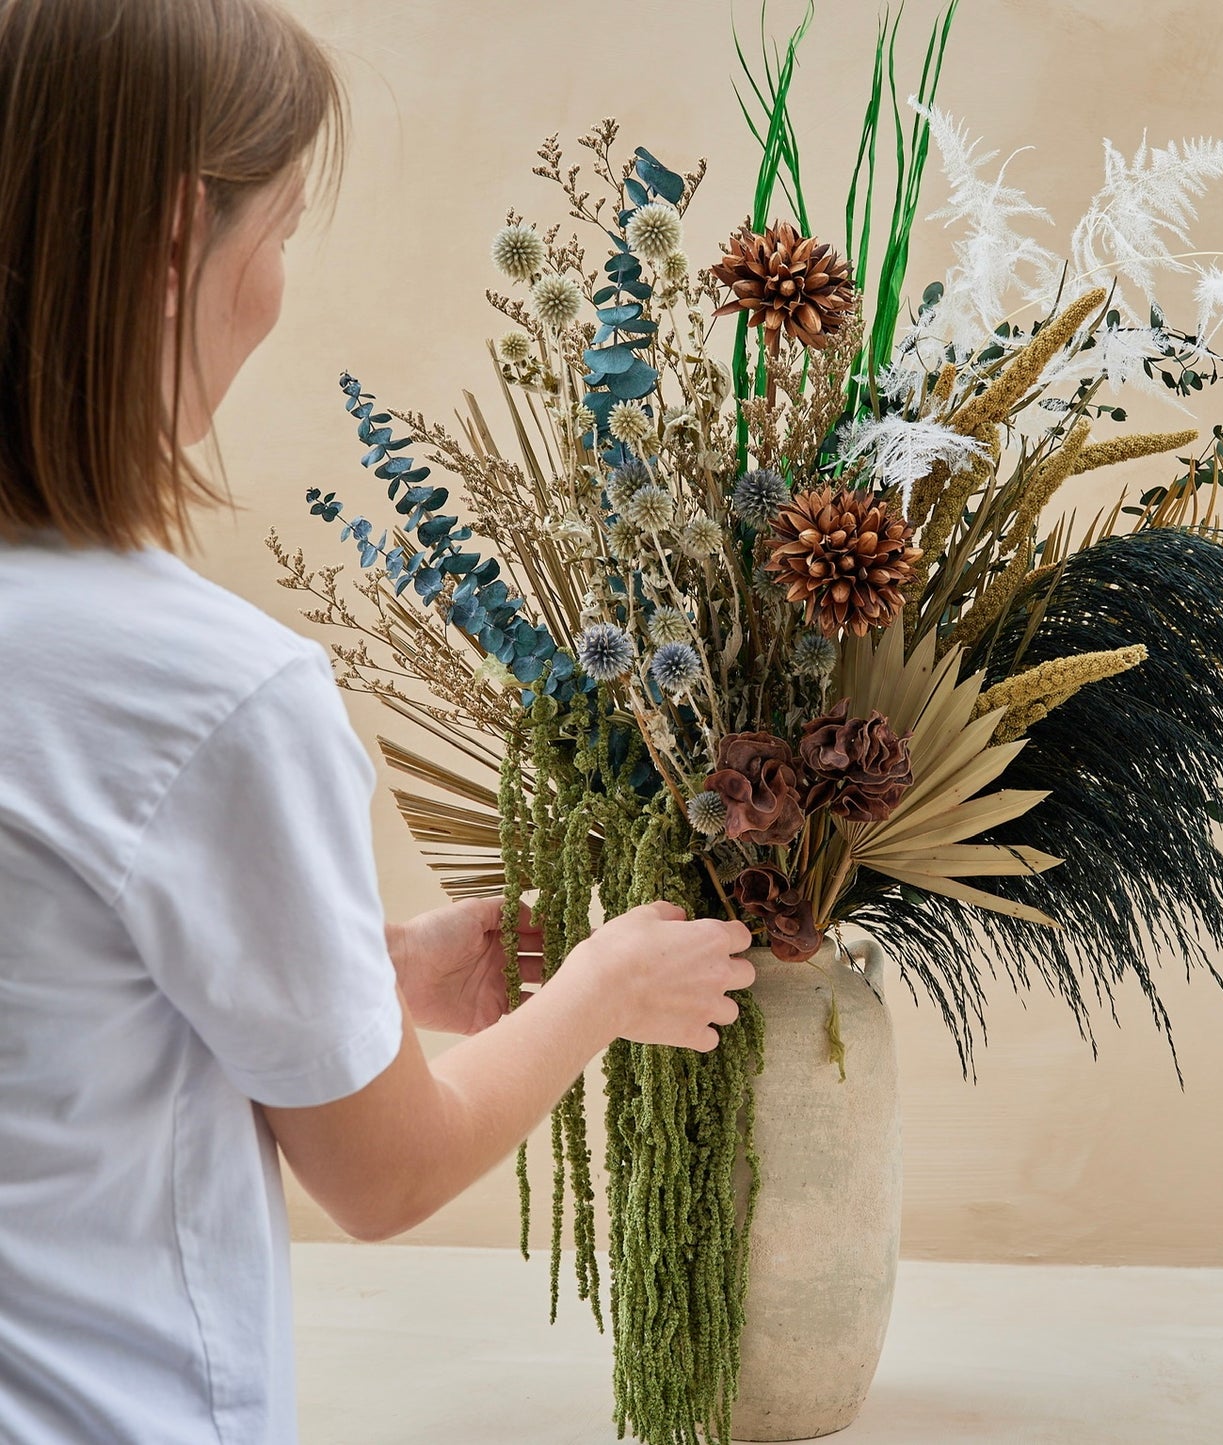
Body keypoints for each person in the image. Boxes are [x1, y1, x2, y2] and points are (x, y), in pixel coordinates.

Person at [0, 1, 756, 1440]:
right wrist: (603, 986)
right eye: (276, 230)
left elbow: (54, 997)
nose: (276, 282)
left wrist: (375, 969)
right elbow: (386, 1171)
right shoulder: (212, 694)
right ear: (176, 241)